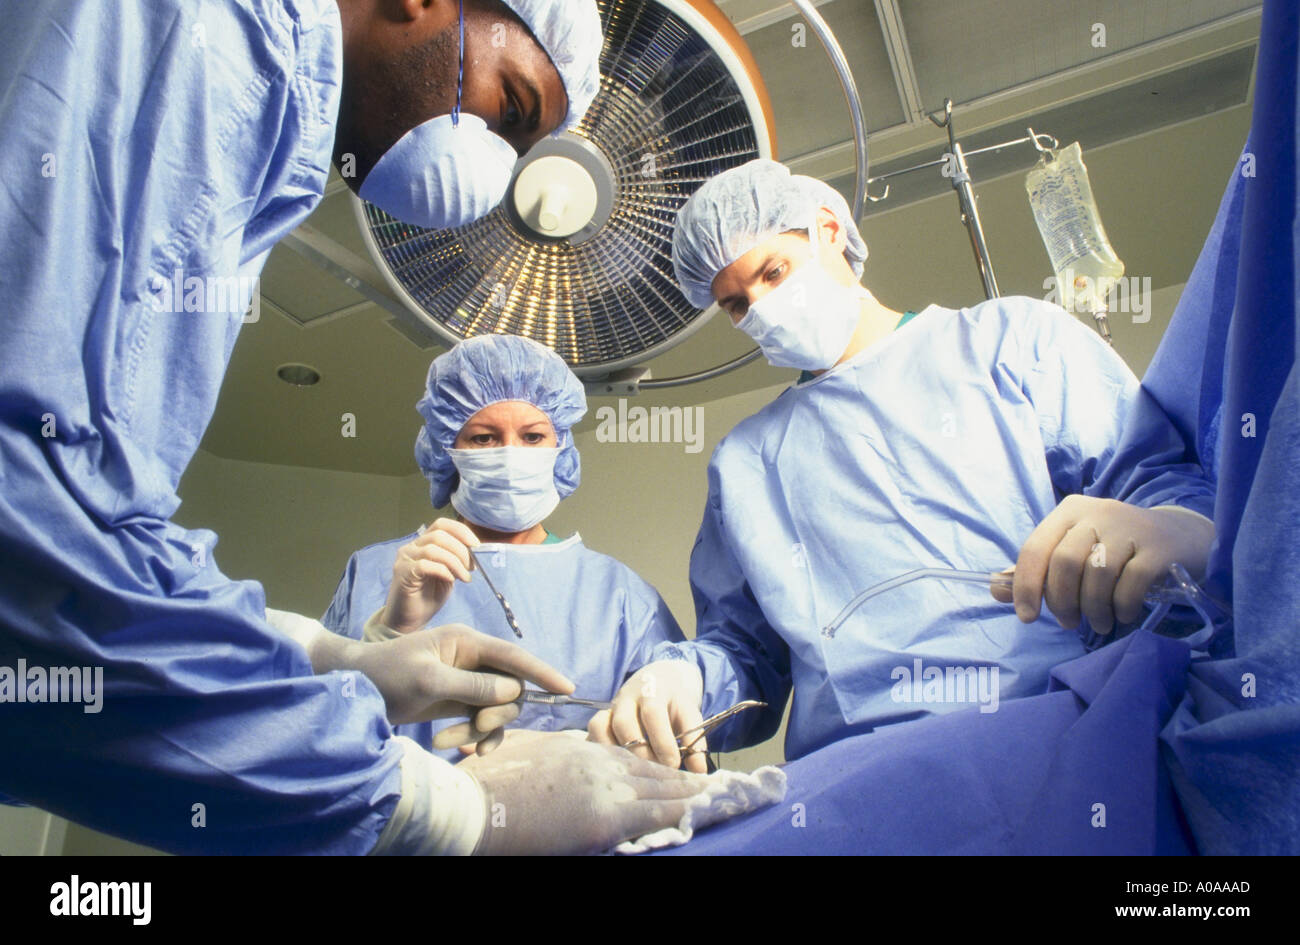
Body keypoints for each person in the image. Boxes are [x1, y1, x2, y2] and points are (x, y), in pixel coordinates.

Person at [0, 0, 711, 856]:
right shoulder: (222, 39)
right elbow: (38, 550)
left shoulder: (259, 113)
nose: (493, 173)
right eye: (510, 109)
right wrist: (438, 806)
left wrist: (329, 661)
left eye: (533, 436)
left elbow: (90, 533)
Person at [590, 159, 1219, 772]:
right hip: (860, 783)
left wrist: (1175, 525)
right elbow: (747, 654)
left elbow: (1155, 487)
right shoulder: (747, 463)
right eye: (735, 304)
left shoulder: (1011, 341)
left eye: (773, 272)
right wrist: (683, 679)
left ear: (828, 230)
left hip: (1065, 735)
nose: (759, 308)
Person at [323, 334, 686, 758]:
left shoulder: (618, 594)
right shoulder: (376, 571)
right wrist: (388, 637)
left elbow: (677, 738)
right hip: (407, 819)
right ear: (447, 449)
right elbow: (313, 736)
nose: (511, 454)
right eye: (483, 438)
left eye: (532, 437)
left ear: (561, 448)